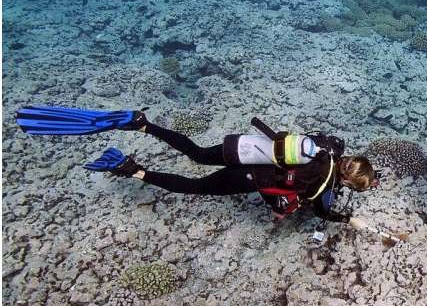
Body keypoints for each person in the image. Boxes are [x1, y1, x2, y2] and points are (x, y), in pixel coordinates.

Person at [15, 105, 378, 222]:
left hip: (247, 150)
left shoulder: (325, 148)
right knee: (197, 187)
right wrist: (343, 218)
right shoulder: (322, 185)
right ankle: (133, 170)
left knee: (196, 155)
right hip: (250, 176)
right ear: (348, 182)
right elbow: (317, 210)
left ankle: (143, 124)